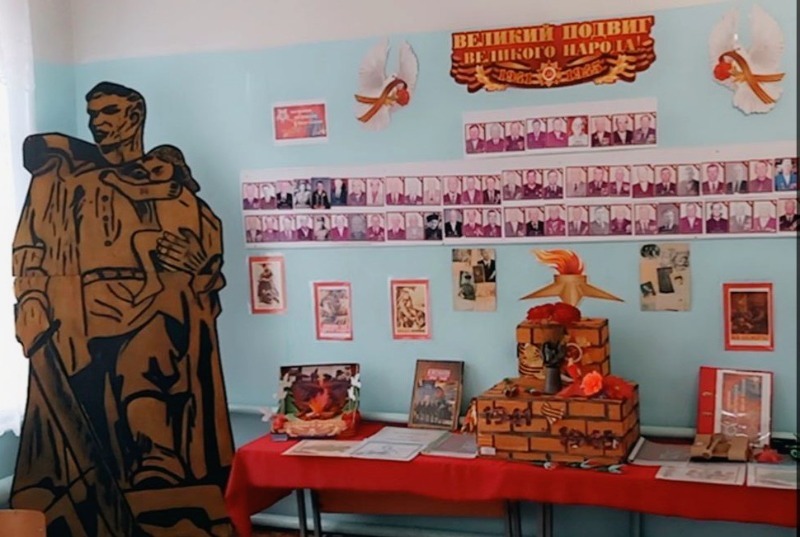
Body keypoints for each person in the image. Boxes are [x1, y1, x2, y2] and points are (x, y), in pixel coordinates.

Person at [11, 82, 233, 536]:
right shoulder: (61, 179)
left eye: (109, 111)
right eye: (93, 113)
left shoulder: (170, 185)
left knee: (148, 352)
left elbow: (207, 258)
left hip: (153, 305)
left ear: (135, 116)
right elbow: (30, 246)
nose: (98, 122)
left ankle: (157, 456)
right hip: (78, 314)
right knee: (87, 414)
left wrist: (201, 265)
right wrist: (31, 298)